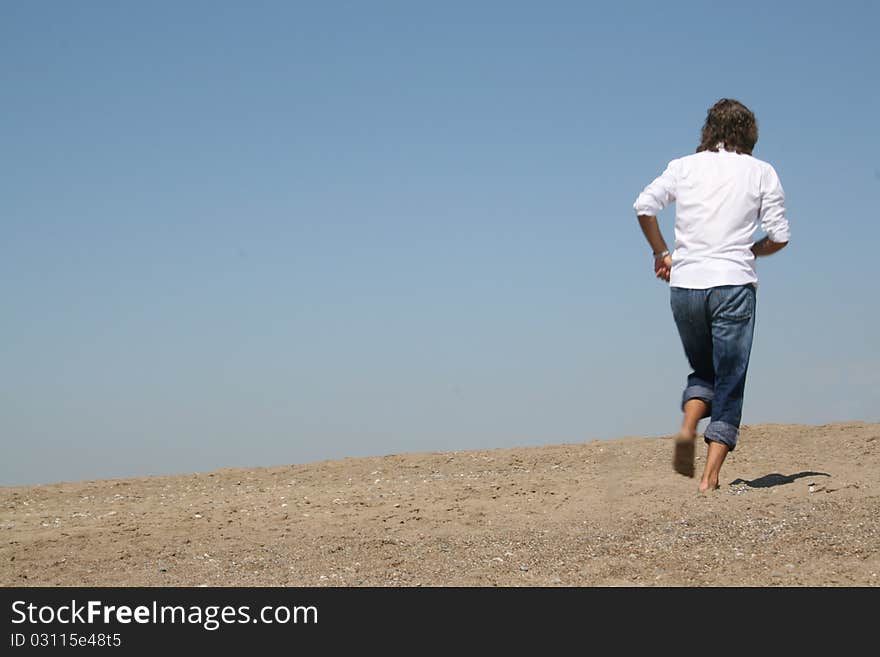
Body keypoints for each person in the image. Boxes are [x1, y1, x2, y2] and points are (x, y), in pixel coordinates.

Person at [632, 98, 790, 493]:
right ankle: (709, 477)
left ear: (708, 130)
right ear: (750, 133)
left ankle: (688, 426)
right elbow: (780, 236)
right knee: (730, 381)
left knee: (704, 371)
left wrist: (661, 252)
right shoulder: (761, 172)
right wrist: (753, 250)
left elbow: (644, 206)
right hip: (733, 285)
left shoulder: (683, 166)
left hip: (685, 285)